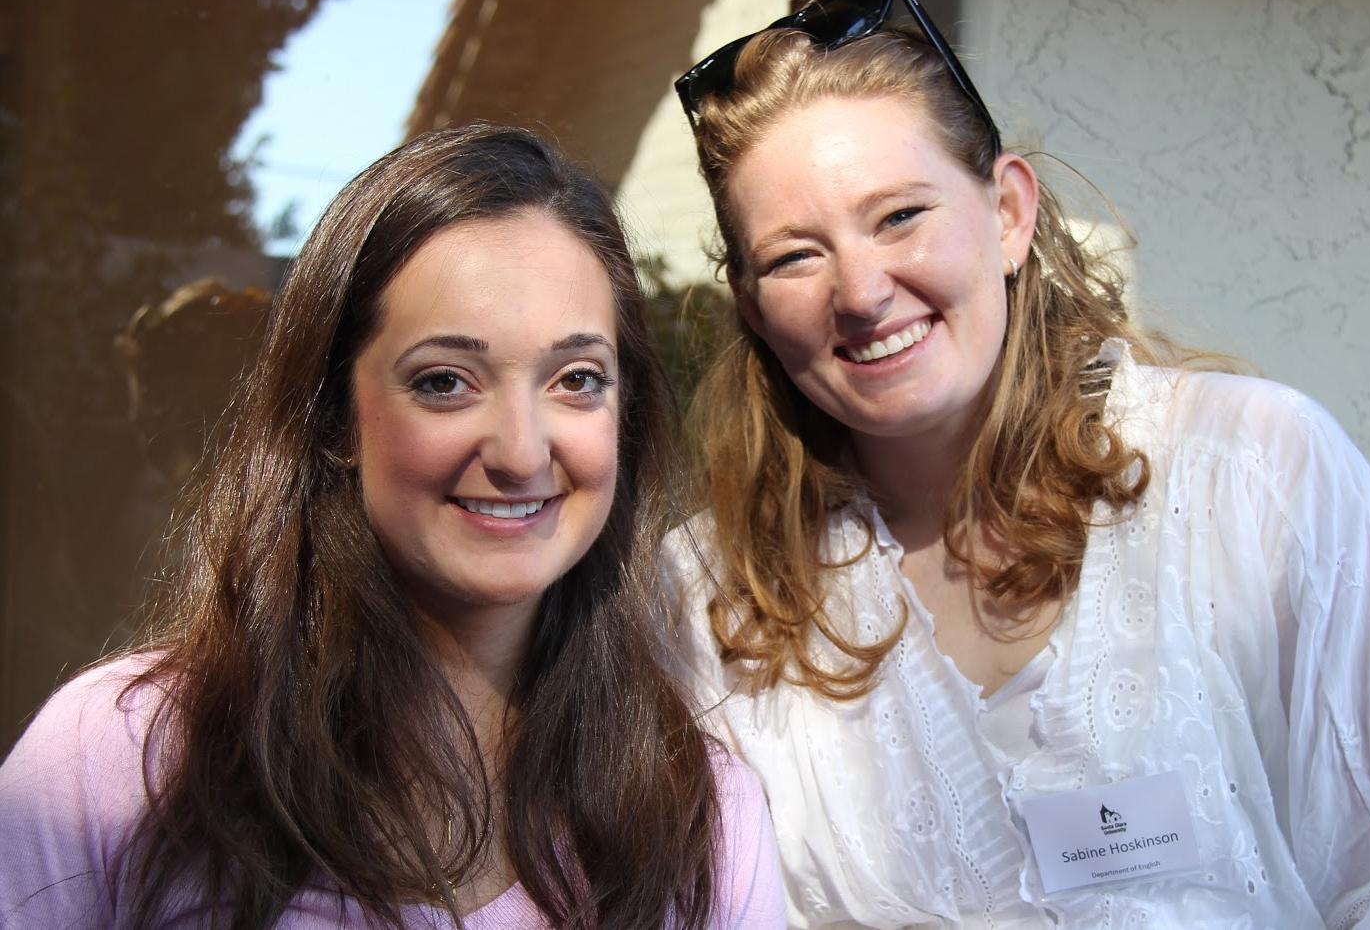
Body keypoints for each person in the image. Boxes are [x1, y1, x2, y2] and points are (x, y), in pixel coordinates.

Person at [660, 0, 1370, 929]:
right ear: (751, 305)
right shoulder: (712, 598)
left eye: (900, 216)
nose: (863, 291)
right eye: (795, 256)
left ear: (1007, 213)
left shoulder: (1254, 474)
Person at [0, 124, 786, 929]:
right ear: (334, 417)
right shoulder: (116, 764)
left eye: (576, 379)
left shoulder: (703, 824)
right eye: (446, 381)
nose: (521, 451)